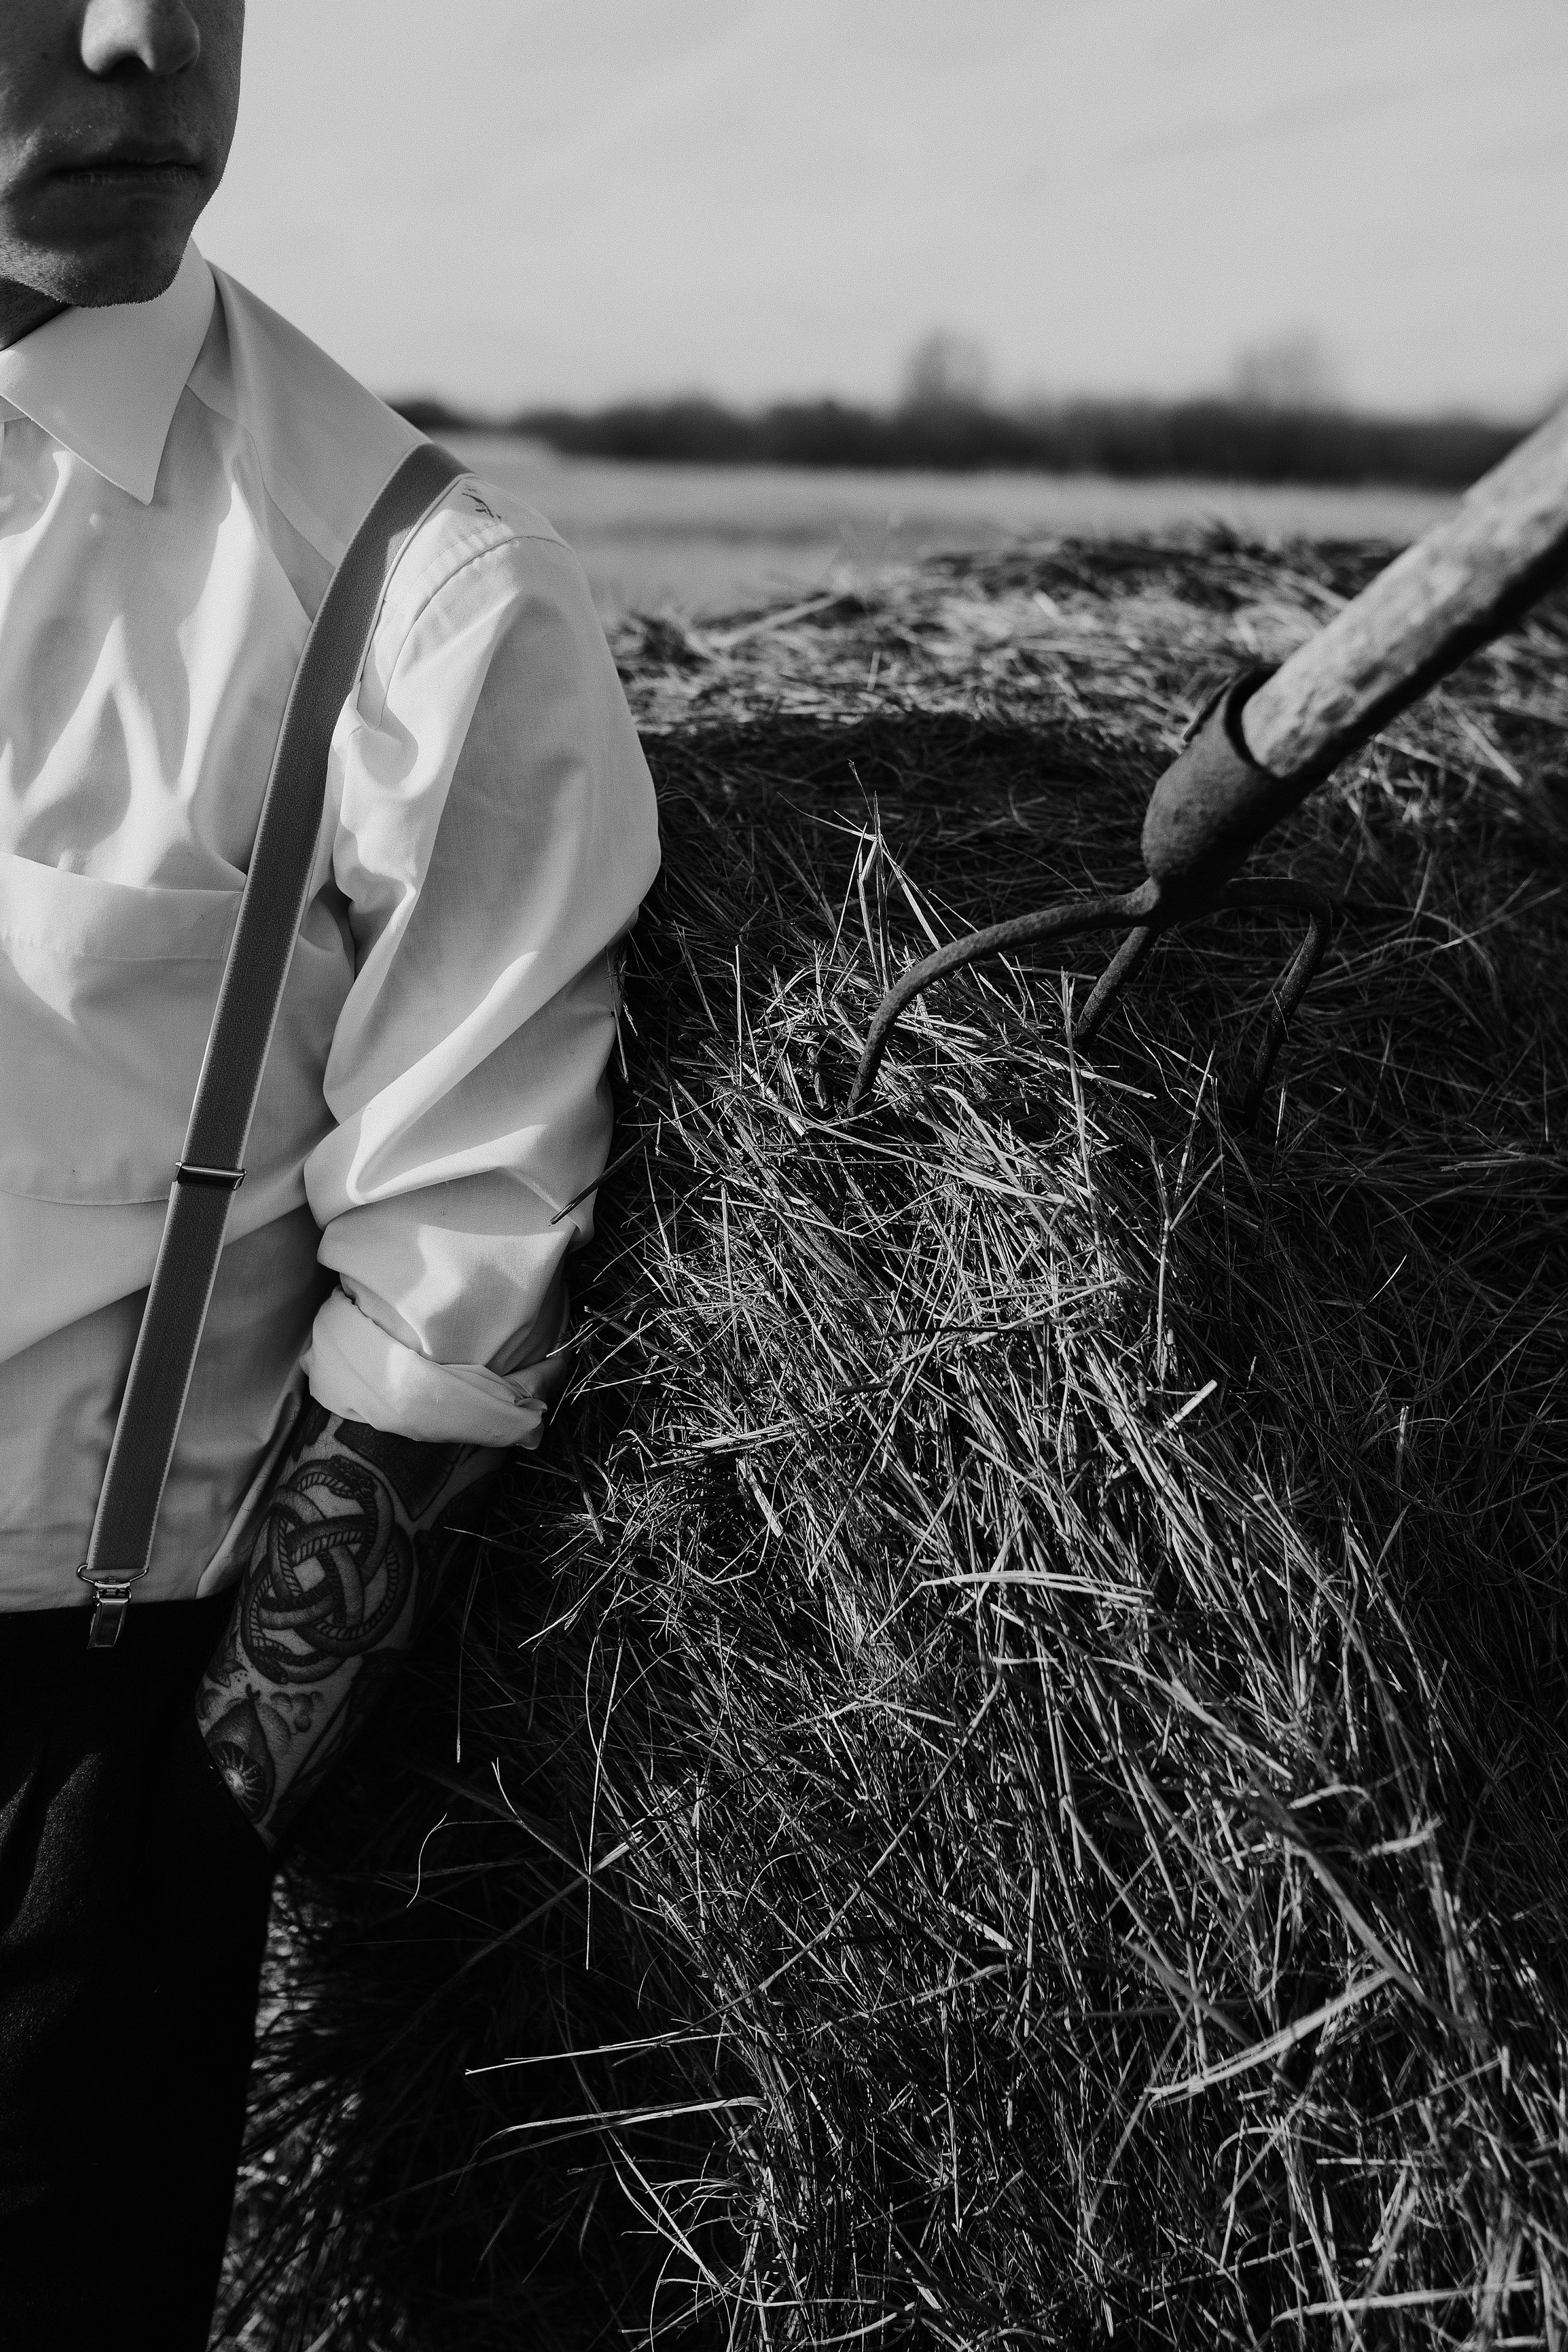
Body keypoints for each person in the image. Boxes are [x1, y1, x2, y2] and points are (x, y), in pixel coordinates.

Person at [0, 4, 660, 2344]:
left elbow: (449, 1310)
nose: (131, 41)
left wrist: (180, 1834)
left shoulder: (417, 601)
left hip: (55, 1761)